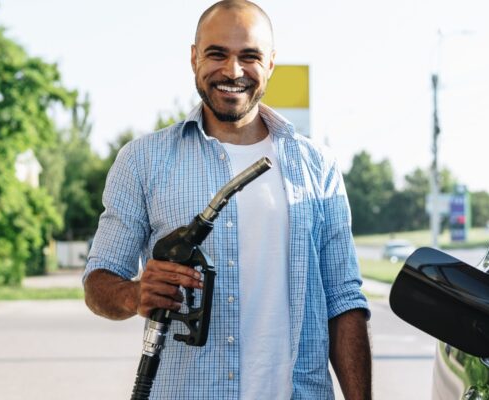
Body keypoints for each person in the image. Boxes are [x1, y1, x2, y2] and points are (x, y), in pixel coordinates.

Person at [83, 1, 372, 399]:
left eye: (249, 56)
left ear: (270, 63)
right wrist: (134, 295)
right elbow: (98, 283)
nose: (232, 71)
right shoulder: (143, 161)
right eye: (217, 53)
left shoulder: (317, 166)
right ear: (194, 58)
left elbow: (344, 302)